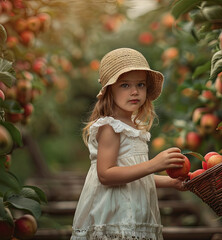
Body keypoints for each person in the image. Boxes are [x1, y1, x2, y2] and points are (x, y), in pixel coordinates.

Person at [71, 48, 187, 240]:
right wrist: (154, 164)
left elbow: (132, 173)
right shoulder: (110, 127)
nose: (135, 91)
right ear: (110, 90)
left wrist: (170, 182)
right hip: (114, 215)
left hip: (134, 213)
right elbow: (106, 175)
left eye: (140, 84)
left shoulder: (134, 127)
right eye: (125, 85)